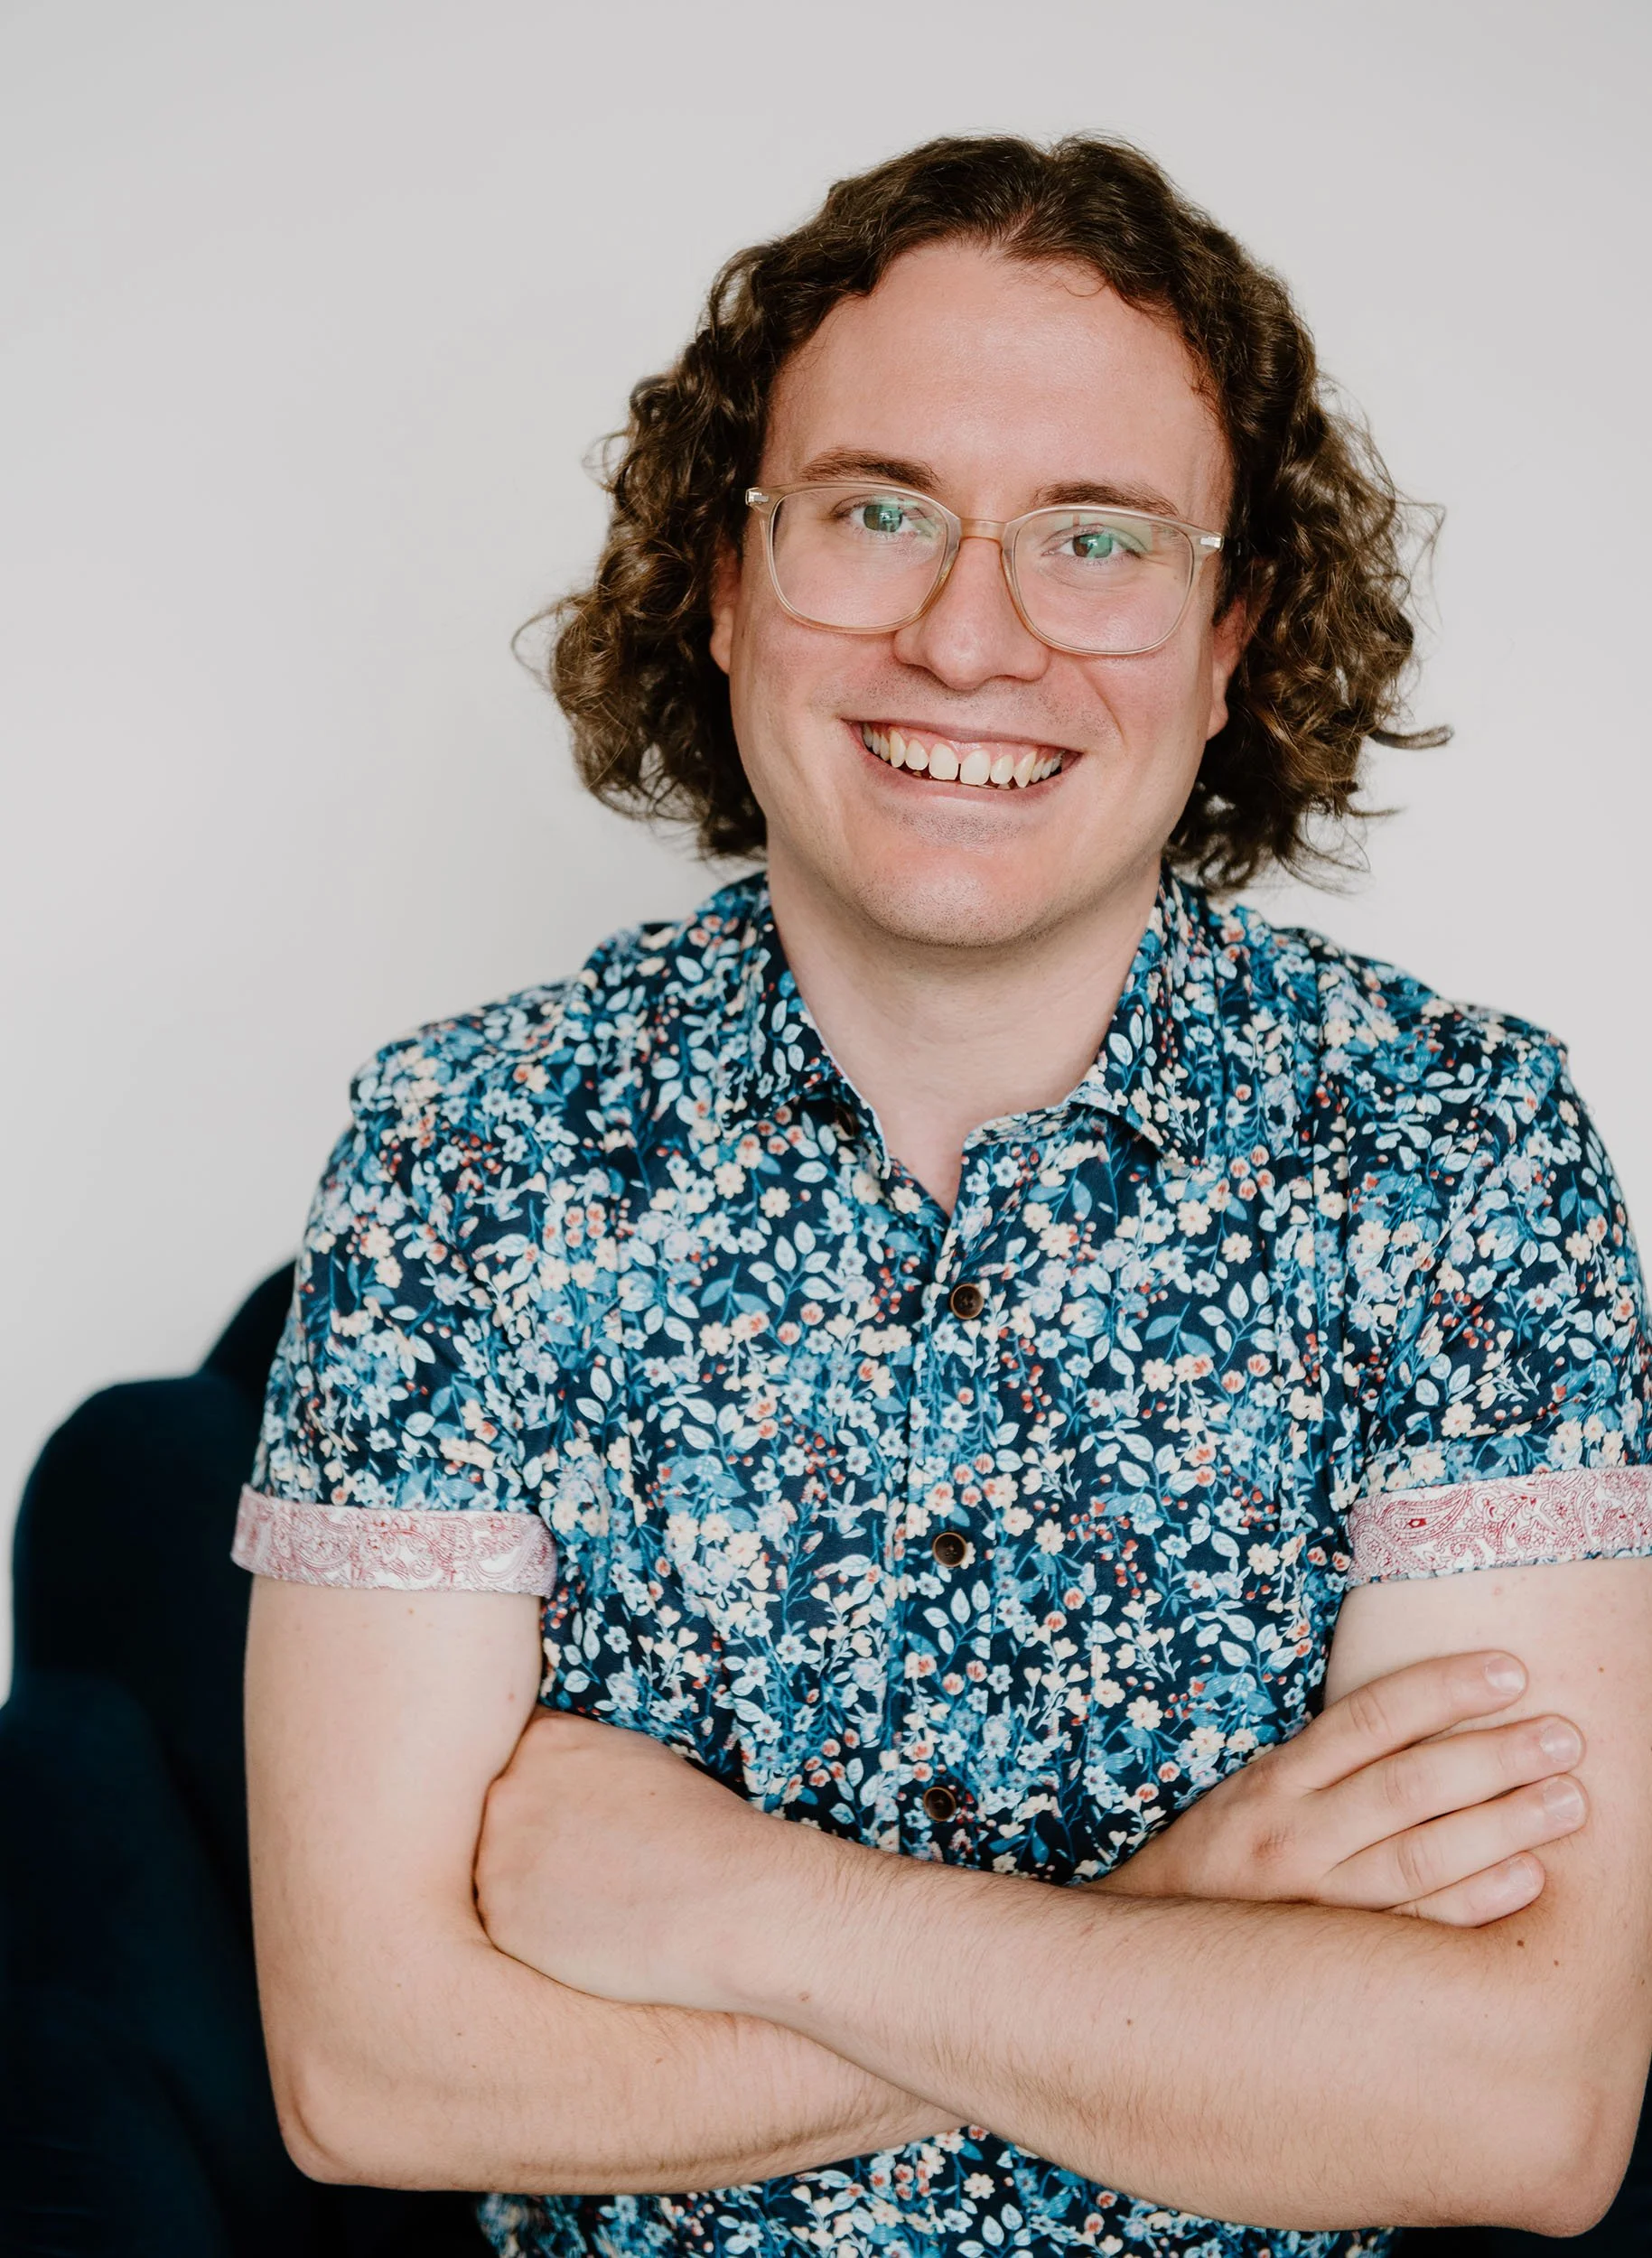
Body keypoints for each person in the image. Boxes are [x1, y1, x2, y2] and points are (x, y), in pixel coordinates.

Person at [235, 135, 1652, 2258]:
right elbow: (370, 2073)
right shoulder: (468, 1151)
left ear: (1231, 630)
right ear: (720, 579)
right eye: (874, 511)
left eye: (1093, 538)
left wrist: (738, 1904)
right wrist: (1175, 1930)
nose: (965, 635)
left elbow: (1517, 2103)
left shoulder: (1455, 1155)